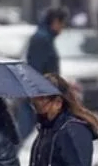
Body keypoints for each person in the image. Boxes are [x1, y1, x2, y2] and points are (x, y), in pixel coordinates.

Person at [17, 7, 67, 141]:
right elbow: (37, 68)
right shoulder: (42, 39)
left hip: (40, 93)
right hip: (38, 94)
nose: (63, 28)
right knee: (22, 132)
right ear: (56, 22)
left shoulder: (44, 37)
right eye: (62, 24)